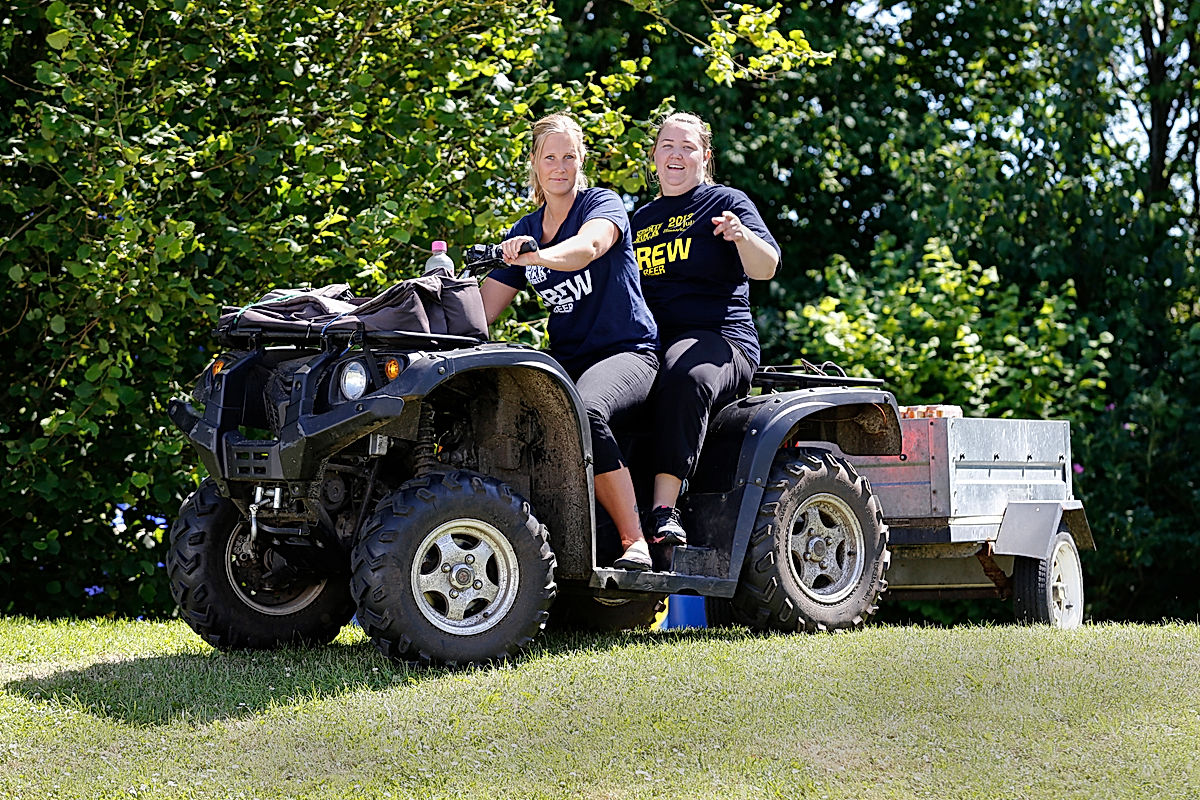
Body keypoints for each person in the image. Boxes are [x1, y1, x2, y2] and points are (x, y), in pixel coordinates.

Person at [482, 113, 661, 571]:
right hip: (567, 359)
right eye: (549, 157)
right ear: (535, 165)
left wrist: (535, 256)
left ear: (580, 161)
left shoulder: (602, 205)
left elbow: (589, 248)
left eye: (568, 156)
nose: (559, 166)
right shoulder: (523, 229)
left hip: (628, 352)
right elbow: (481, 313)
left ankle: (634, 540)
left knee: (586, 409)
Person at [631, 112, 781, 547]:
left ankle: (664, 510)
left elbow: (766, 267)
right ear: (655, 155)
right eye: (668, 146)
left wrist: (740, 236)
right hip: (654, 344)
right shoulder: (639, 220)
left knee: (686, 374)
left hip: (720, 342)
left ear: (705, 157)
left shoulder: (724, 203)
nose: (676, 154)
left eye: (687, 147)